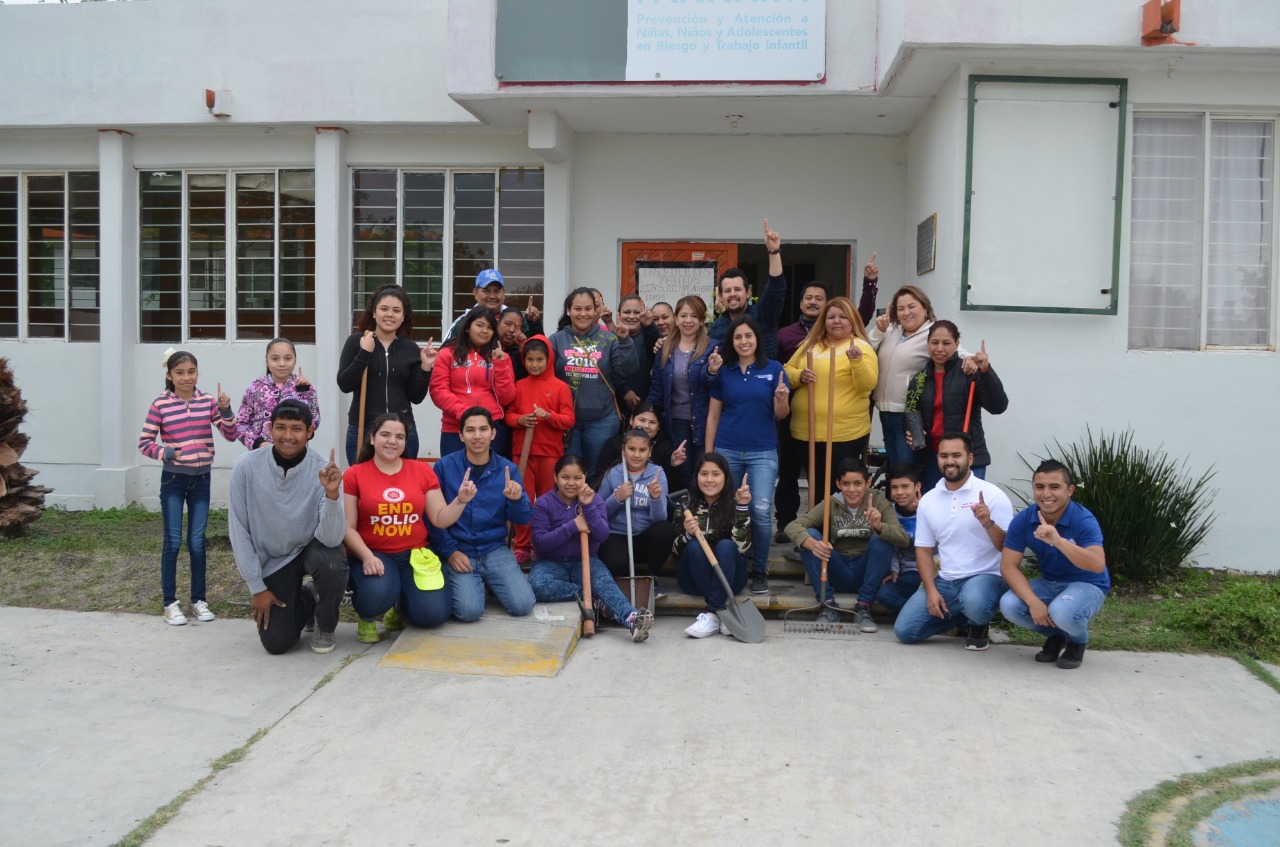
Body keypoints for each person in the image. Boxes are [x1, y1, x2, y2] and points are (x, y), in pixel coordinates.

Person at [341, 414, 474, 643]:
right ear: (372, 439)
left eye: (399, 436)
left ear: (405, 442)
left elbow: (440, 519)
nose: (392, 441)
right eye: (385, 434)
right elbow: (347, 528)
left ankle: (399, 607)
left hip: (415, 554)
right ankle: (368, 616)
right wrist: (366, 557)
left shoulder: (422, 471)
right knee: (376, 595)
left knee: (433, 615)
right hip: (374, 554)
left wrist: (460, 500)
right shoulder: (355, 474)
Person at [228, 400, 347, 654]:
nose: (288, 436)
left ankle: (326, 624)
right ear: (270, 428)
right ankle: (308, 598)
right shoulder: (246, 466)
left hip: (310, 548)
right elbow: (239, 531)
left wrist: (332, 495)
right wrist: (257, 588)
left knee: (332, 562)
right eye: (281, 427)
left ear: (310, 431)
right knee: (277, 643)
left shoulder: (324, 470)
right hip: (273, 560)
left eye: (297, 429)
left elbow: (332, 539)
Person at [138, 350, 238, 626]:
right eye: (180, 372)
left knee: (197, 541)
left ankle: (199, 601)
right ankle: (170, 604)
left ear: (197, 373)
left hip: (201, 480)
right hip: (173, 479)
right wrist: (169, 452)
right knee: (172, 541)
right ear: (169, 375)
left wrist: (226, 410)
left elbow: (231, 435)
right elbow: (145, 443)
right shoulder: (160, 404)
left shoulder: (208, 401)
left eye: (191, 371)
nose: (186, 377)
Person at [893, 432, 1013, 650]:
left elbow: (1007, 548)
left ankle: (979, 621)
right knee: (905, 631)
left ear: (970, 458)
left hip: (985, 577)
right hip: (947, 580)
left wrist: (988, 523)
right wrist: (931, 591)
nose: (949, 461)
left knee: (975, 601)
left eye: (956, 455)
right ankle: (963, 618)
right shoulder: (929, 500)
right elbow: (923, 551)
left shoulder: (992, 495)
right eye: (944, 455)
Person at [705, 314, 790, 595]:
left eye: (748, 336)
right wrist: (709, 456)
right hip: (727, 449)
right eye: (738, 337)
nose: (744, 341)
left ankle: (760, 569)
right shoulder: (724, 371)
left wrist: (781, 399)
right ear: (732, 341)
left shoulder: (774, 369)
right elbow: (713, 415)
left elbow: (781, 415)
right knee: (728, 509)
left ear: (757, 339)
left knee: (760, 511)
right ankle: (734, 563)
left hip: (762, 452)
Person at [527, 455, 655, 642]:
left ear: (585, 477)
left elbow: (602, 535)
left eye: (577, 478)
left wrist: (588, 508)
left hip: (585, 559)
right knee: (536, 585)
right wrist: (573, 526)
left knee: (603, 582)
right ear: (555, 477)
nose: (571, 483)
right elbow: (541, 544)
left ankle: (632, 619)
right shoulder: (543, 503)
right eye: (565, 477)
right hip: (549, 562)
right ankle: (594, 597)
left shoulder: (594, 500)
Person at [428, 407, 537, 621]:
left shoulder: (508, 469)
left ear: (493, 433)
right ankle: (468, 582)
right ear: (461, 435)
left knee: (523, 605)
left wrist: (516, 500)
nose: (477, 436)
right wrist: (450, 552)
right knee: (469, 612)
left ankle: (489, 582)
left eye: (483, 429)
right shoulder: (444, 467)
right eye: (470, 430)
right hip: (459, 548)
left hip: (494, 548)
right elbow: (432, 519)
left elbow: (523, 518)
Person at [998, 460, 1109, 669]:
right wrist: (1033, 602)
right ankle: (1058, 635)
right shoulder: (1024, 519)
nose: (1046, 494)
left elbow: (1097, 565)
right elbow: (1008, 566)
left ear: (1070, 490)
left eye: (1054, 487)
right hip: (1050, 582)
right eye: (1039, 487)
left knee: (1061, 612)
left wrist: (1058, 541)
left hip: (1089, 584)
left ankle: (1078, 640)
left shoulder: (1083, 519)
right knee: (1009, 605)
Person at [785, 458, 909, 631]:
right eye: (846, 484)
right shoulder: (831, 502)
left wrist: (879, 526)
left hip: (866, 573)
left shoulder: (878, 501)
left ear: (868, 482)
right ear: (838, 484)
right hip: (837, 569)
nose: (852, 490)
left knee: (882, 538)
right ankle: (827, 605)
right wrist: (811, 544)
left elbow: (903, 538)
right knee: (810, 536)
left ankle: (864, 607)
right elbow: (792, 527)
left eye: (858, 483)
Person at [782, 296, 879, 497]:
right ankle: (817, 518)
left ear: (853, 320)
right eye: (831, 317)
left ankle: (835, 519)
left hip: (844, 434)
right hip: (806, 430)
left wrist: (857, 362)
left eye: (843, 317)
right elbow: (786, 371)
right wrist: (799, 376)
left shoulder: (861, 347)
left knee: (837, 486)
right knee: (816, 486)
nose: (836, 321)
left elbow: (867, 385)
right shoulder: (810, 343)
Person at [867, 285, 968, 469]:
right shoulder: (890, 330)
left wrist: (973, 360)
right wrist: (878, 331)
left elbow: (959, 353)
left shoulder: (932, 333)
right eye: (900, 308)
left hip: (910, 415)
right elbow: (865, 350)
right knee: (895, 470)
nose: (906, 313)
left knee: (907, 470)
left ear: (925, 307)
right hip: (884, 412)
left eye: (911, 306)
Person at [336, 284, 436, 465]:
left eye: (396, 310)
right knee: (363, 481)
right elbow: (344, 384)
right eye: (384, 309)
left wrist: (425, 367)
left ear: (403, 317)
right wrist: (364, 353)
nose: (390, 314)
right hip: (364, 428)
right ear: (374, 313)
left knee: (403, 482)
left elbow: (416, 397)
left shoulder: (410, 348)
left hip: (402, 429)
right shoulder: (357, 341)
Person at [905, 321, 1006, 491]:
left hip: (966, 457)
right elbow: (909, 414)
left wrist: (986, 370)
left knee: (969, 506)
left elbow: (998, 406)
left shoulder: (969, 372)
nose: (939, 349)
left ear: (957, 344)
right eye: (934, 342)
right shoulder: (919, 379)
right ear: (927, 343)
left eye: (946, 343)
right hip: (932, 459)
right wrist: (910, 432)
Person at [549, 287, 639, 478]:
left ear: (595, 311)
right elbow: (547, 377)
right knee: (570, 474)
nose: (583, 313)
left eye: (588, 308)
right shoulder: (556, 340)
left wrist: (625, 342)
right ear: (568, 311)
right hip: (567, 421)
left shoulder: (609, 339)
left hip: (602, 420)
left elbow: (628, 371)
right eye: (577, 309)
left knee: (597, 475)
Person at [504, 335, 575, 565]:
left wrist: (549, 416)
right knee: (522, 497)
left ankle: (544, 544)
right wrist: (520, 420)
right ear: (523, 360)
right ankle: (522, 545)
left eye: (540, 360)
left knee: (547, 500)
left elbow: (568, 419)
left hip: (550, 452)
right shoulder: (519, 385)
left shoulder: (560, 387)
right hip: (522, 451)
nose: (534, 364)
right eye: (530, 360)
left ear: (549, 359)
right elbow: (509, 415)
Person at [673, 452, 752, 638]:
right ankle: (720, 612)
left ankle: (713, 614)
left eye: (716, 474)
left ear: (725, 477)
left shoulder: (735, 504)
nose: (709, 480)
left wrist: (742, 507)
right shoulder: (685, 505)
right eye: (704, 474)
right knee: (694, 546)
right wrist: (687, 535)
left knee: (726, 546)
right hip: (693, 578)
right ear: (696, 477)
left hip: (730, 579)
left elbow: (742, 549)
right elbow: (675, 551)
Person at [774, 282, 829, 544]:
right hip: (790, 414)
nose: (813, 302)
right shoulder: (785, 334)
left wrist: (869, 285)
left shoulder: (833, 335)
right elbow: (778, 370)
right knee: (788, 472)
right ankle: (785, 523)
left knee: (818, 473)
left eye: (819, 298)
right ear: (800, 303)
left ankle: (813, 525)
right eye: (808, 297)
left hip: (822, 417)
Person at [646, 294, 719, 491]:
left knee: (705, 470)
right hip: (676, 421)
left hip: (705, 420)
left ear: (702, 320)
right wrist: (646, 415)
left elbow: (716, 386)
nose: (688, 320)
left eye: (694, 316)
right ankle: (686, 510)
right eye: (684, 315)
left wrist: (712, 371)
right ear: (676, 319)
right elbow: (657, 387)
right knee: (684, 472)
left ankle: (703, 509)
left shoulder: (713, 347)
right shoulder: (665, 348)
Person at [429, 304, 517, 457]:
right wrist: (465, 412)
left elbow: (507, 398)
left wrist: (500, 365)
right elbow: (438, 391)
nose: (485, 331)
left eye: (490, 327)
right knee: (454, 472)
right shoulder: (447, 354)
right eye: (480, 325)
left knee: (489, 472)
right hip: (454, 428)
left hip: (490, 429)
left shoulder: (501, 357)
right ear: (468, 327)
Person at [598, 428, 679, 593]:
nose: (636, 455)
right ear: (623, 450)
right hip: (618, 535)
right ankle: (622, 582)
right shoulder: (613, 474)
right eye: (631, 449)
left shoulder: (658, 474)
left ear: (650, 452)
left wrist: (655, 498)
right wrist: (617, 498)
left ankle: (651, 578)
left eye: (642, 450)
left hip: (644, 539)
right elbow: (599, 514)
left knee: (666, 529)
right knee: (615, 562)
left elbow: (660, 519)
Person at [707, 219, 788, 360]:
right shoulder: (716, 329)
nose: (732, 294)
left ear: (748, 293)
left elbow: (776, 288)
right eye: (727, 291)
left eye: (737, 289)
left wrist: (773, 251)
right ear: (720, 296)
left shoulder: (763, 314)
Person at [235, 337, 321, 450]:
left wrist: (307, 393)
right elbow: (241, 424)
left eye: (288, 358)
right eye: (275, 359)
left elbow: (314, 422)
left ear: (295, 360)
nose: (282, 364)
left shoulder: (305, 388)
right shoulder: (255, 387)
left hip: (295, 451)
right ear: (266, 361)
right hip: (262, 453)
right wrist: (258, 443)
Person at [591, 402, 687, 491]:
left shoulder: (666, 448)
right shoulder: (615, 444)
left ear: (658, 426)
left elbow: (673, 489)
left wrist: (674, 466)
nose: (646, 426)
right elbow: (601, 479)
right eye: (642, 420)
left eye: (652, 422)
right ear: (631, 420)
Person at [875, 464, 925, 614]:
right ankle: (919, 615)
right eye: (894, 487)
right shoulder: (890, 512)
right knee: (884, 594)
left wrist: (925, 516)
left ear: (917, 486)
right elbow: (894, 546)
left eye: (905, 487)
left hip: (934, 573)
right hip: (908, 574)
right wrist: (894, 569)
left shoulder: (931, 508)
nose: (900, 492)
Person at [444, 268, 545, 340]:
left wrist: (533, 323)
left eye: (497, 291)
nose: (492, 296)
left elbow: (538, 350)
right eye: (486, 291)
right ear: (475, 293)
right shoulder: (463, 322)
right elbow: (445, 354)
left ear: (504, 293)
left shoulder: (517, 319)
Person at [612, 293, 661, 413]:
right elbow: (609, 368)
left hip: (647, 402)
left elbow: (656, 349)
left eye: (637, 312)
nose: (632, 316)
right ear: (618, 315)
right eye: (627, 312)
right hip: (616, 404)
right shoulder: (611, 338)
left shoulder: (649, 334)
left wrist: (649, 326)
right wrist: (625, 390)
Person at [497, 308, 528, 381]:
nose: (512, 330)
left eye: (517, 327)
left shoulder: (520, 353)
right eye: (507, 324)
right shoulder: (486, 347)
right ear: (497, 324)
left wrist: (524, 349)